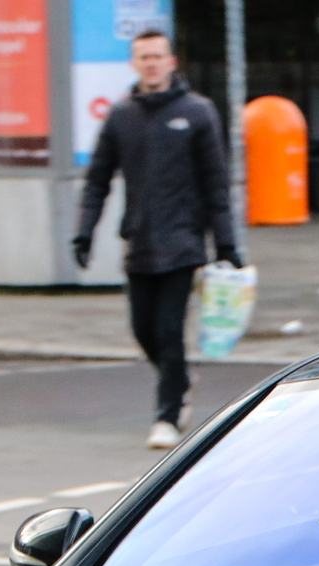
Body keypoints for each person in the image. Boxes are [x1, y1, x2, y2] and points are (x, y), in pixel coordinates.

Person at [73, 30, 239, 451]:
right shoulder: (121, 116)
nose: (150, 63)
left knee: (168, 331)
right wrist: (84, 231)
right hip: (140, 242)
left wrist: (226, 245)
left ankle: (167, 416)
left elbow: (216, 185)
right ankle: (179, 379)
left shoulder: (198, 113)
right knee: (142, 329)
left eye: (157, 56)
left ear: (171, 61)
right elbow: (97, 180)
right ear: (135, 64)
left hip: (183, 244)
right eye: (143, 57)